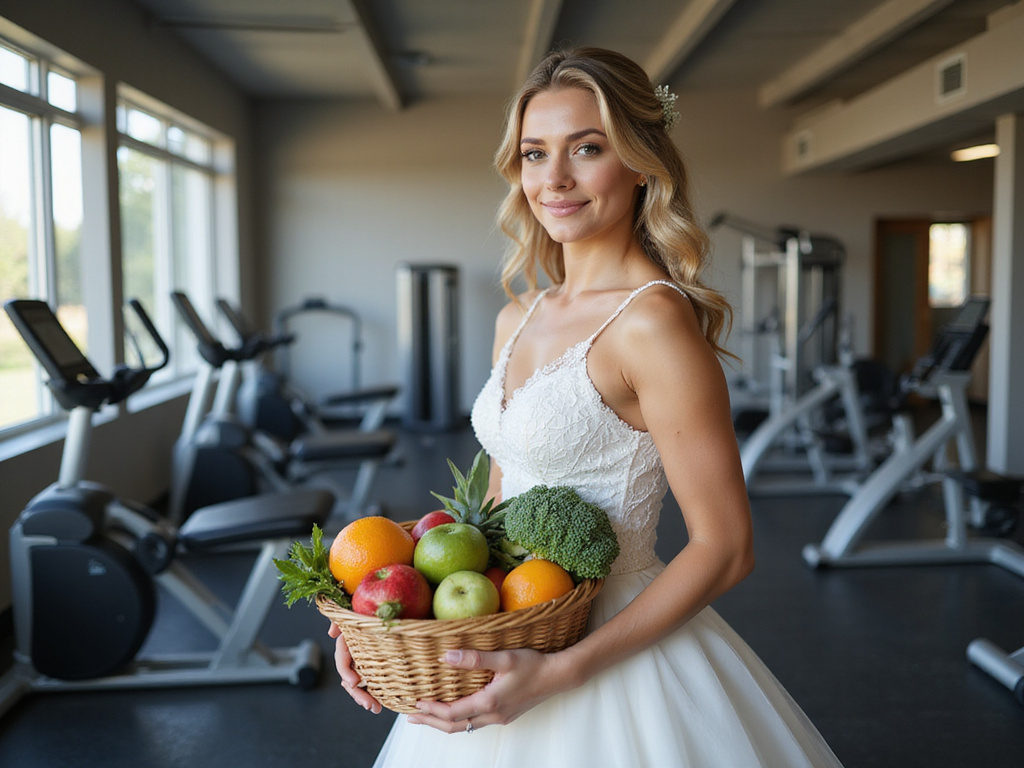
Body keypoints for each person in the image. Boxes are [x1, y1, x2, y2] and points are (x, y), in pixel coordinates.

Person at [329, 46, 844, 767]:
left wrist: (561, 673)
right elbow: (501, 511)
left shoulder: (652, 323)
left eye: (588, 149)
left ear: (640, 161)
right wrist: (386, 615)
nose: (555, 179)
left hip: (612, 650)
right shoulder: (521, 315)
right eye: (535, 154)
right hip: (514, 624)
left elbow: (727, 547)